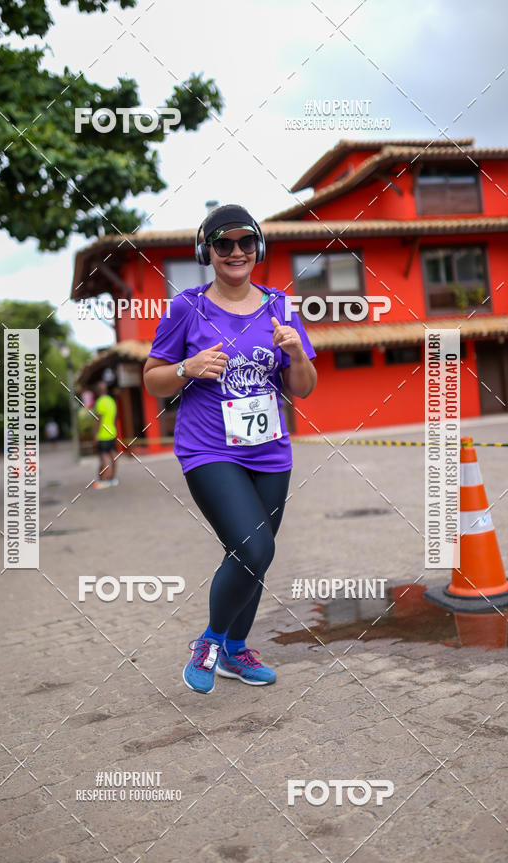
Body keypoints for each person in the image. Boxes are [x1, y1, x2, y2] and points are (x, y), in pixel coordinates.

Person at [143, 203, 317, 694]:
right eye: (224, 244)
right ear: (208, 252)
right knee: (253, 546)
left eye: (245, 242)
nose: (235, 252)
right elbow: (152, 379)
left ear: (257, 248)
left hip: (270, 452)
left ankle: (236, 653)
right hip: (208, 449)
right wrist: (186, 368)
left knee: (253, 558)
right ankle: (210, 642)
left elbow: (303, 388)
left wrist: (297, 352)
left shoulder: (281, 307)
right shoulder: (186, 307)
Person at [92, 382, 118, 488]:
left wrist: (95, 435)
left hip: (102, 434)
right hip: (112, 432)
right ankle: (113, 478)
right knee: (113, 455)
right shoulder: (112, 401)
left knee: (103, 457)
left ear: (98, 392)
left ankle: (104, 479)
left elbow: (99, 419)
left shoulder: (99, 402)